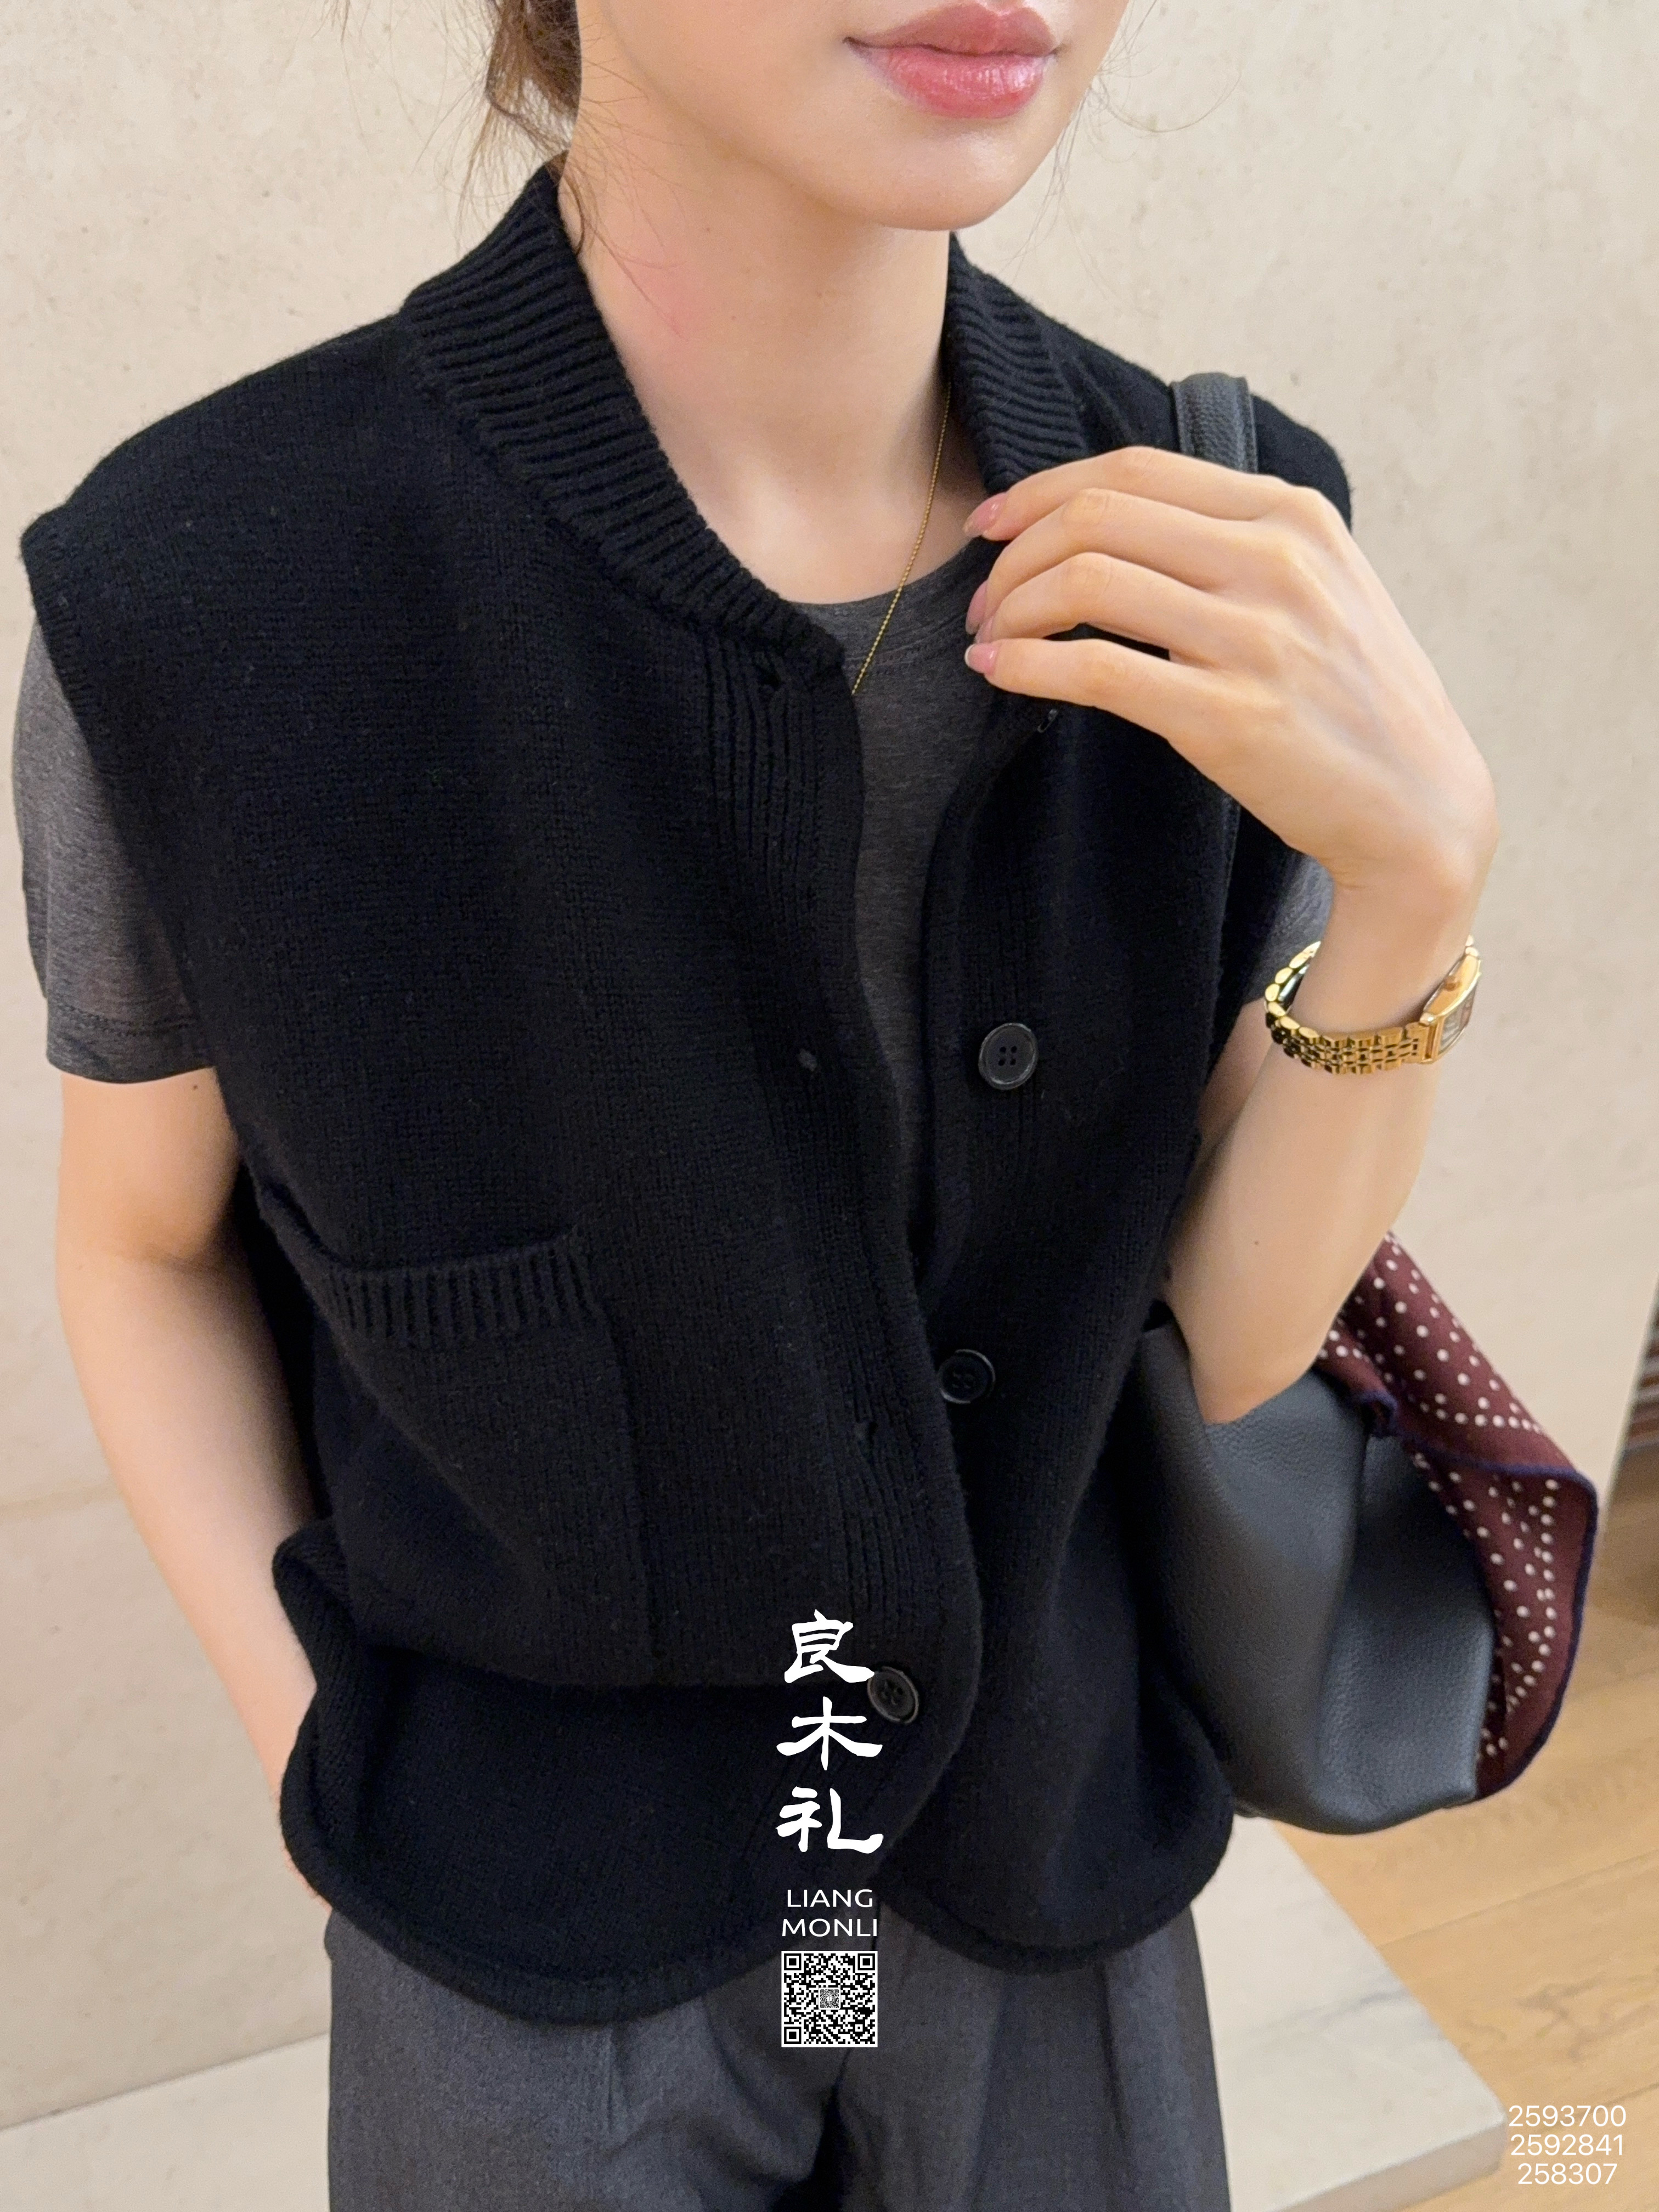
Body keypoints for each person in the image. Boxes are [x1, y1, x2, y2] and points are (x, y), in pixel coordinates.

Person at [12, 1, 1498, 2205]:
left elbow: (1225, 1338)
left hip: (1038, 1859)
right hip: (529, 1918)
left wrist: (1413, 889)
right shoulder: (203, 590)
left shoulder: (1227, 548)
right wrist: (325, 1747)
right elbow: (143, 1243)